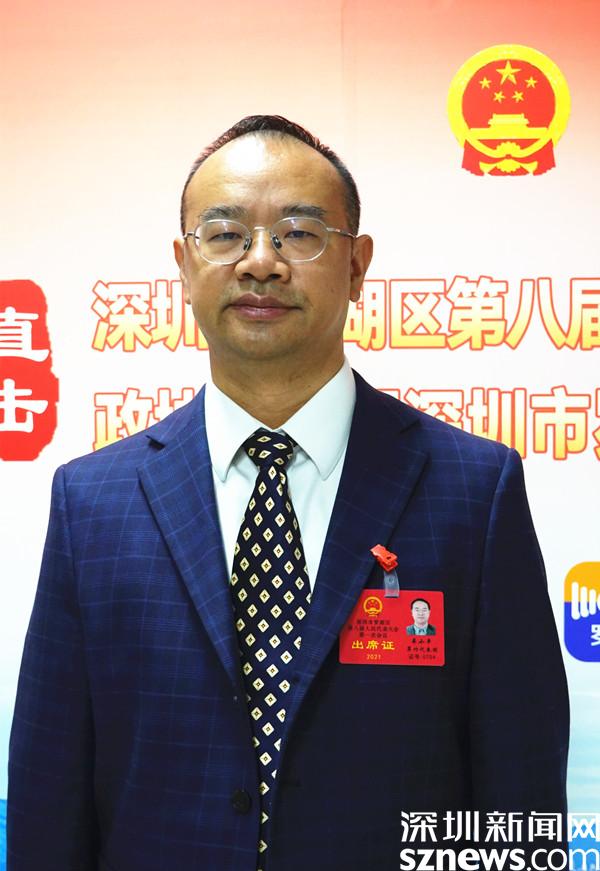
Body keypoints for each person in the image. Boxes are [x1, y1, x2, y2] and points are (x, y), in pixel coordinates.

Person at [8, 115, 569, 871]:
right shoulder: (91, 502)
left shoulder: (475, 490)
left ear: (358, 265)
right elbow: (48, 793)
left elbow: (520, 798)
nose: (261, 263)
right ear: (183, 264)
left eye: (299, 234)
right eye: (225, 235)